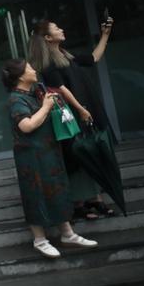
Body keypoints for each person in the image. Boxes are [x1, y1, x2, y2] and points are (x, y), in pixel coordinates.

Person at [2, 59, 98, 258]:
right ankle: (40, 240)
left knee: (58, 188)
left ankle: (67, 234)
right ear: (20, 76)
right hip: (30, 156)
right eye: (29, 68)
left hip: (49, 150)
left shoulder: (36, 90)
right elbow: (26, 126)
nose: (33, 69)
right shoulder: (15, 99)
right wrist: (45, 107)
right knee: (35, 193)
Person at [28, 19, 116, 219]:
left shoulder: (66, 56)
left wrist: (105, 35)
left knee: (91, 152)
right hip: (74, 115)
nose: (62, 29)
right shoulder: (48, 63)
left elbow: (94, 58)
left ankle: (96, 199)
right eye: (57, 28)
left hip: (84, 109)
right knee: (79, 155)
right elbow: (61, 89)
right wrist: (80, 110)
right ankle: (80, 203)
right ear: (48, 38)